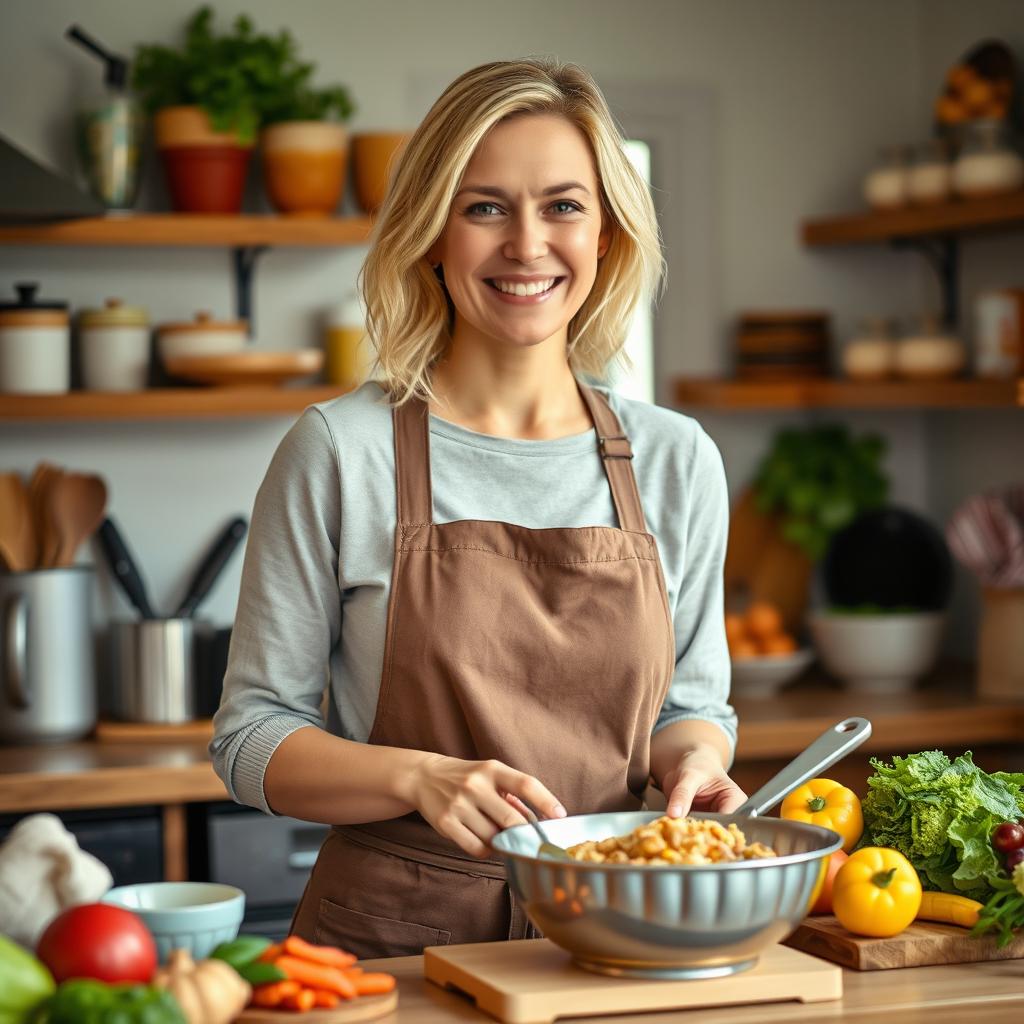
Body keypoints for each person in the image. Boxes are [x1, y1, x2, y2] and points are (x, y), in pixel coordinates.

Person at [210, 57, 745, 959]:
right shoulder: (341, 450)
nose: (527, 245)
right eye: (485, 206)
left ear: (607, 235)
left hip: (618, 932)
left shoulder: (675, 458)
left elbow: (690, 705)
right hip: (390, 943)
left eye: (563, 206)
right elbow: (252, 739)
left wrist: (695, 761)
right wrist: (419, 779)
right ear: (433, 233)